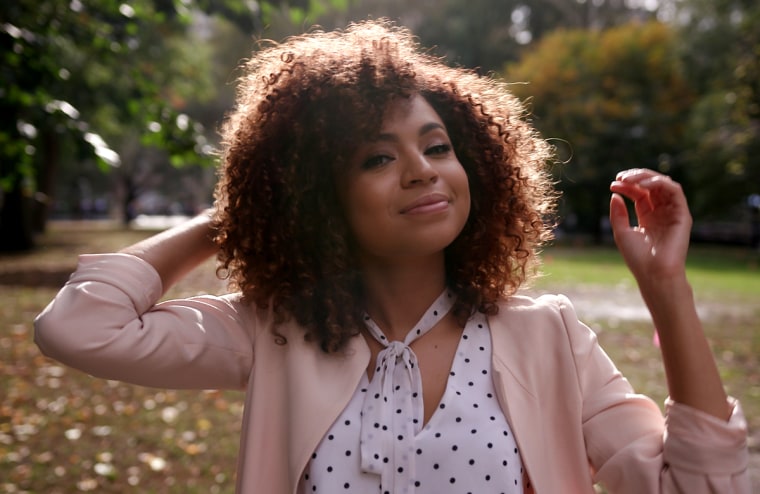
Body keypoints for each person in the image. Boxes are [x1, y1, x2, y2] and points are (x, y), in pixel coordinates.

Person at [34, 19, 749, 494]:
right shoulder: (275, 330)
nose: (422, 171)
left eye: (437, 146)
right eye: (378, 156)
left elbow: (701, 486)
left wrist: (667, 290)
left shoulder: (548, 337)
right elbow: (81, 327)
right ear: (320, 194)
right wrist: (236, 219)